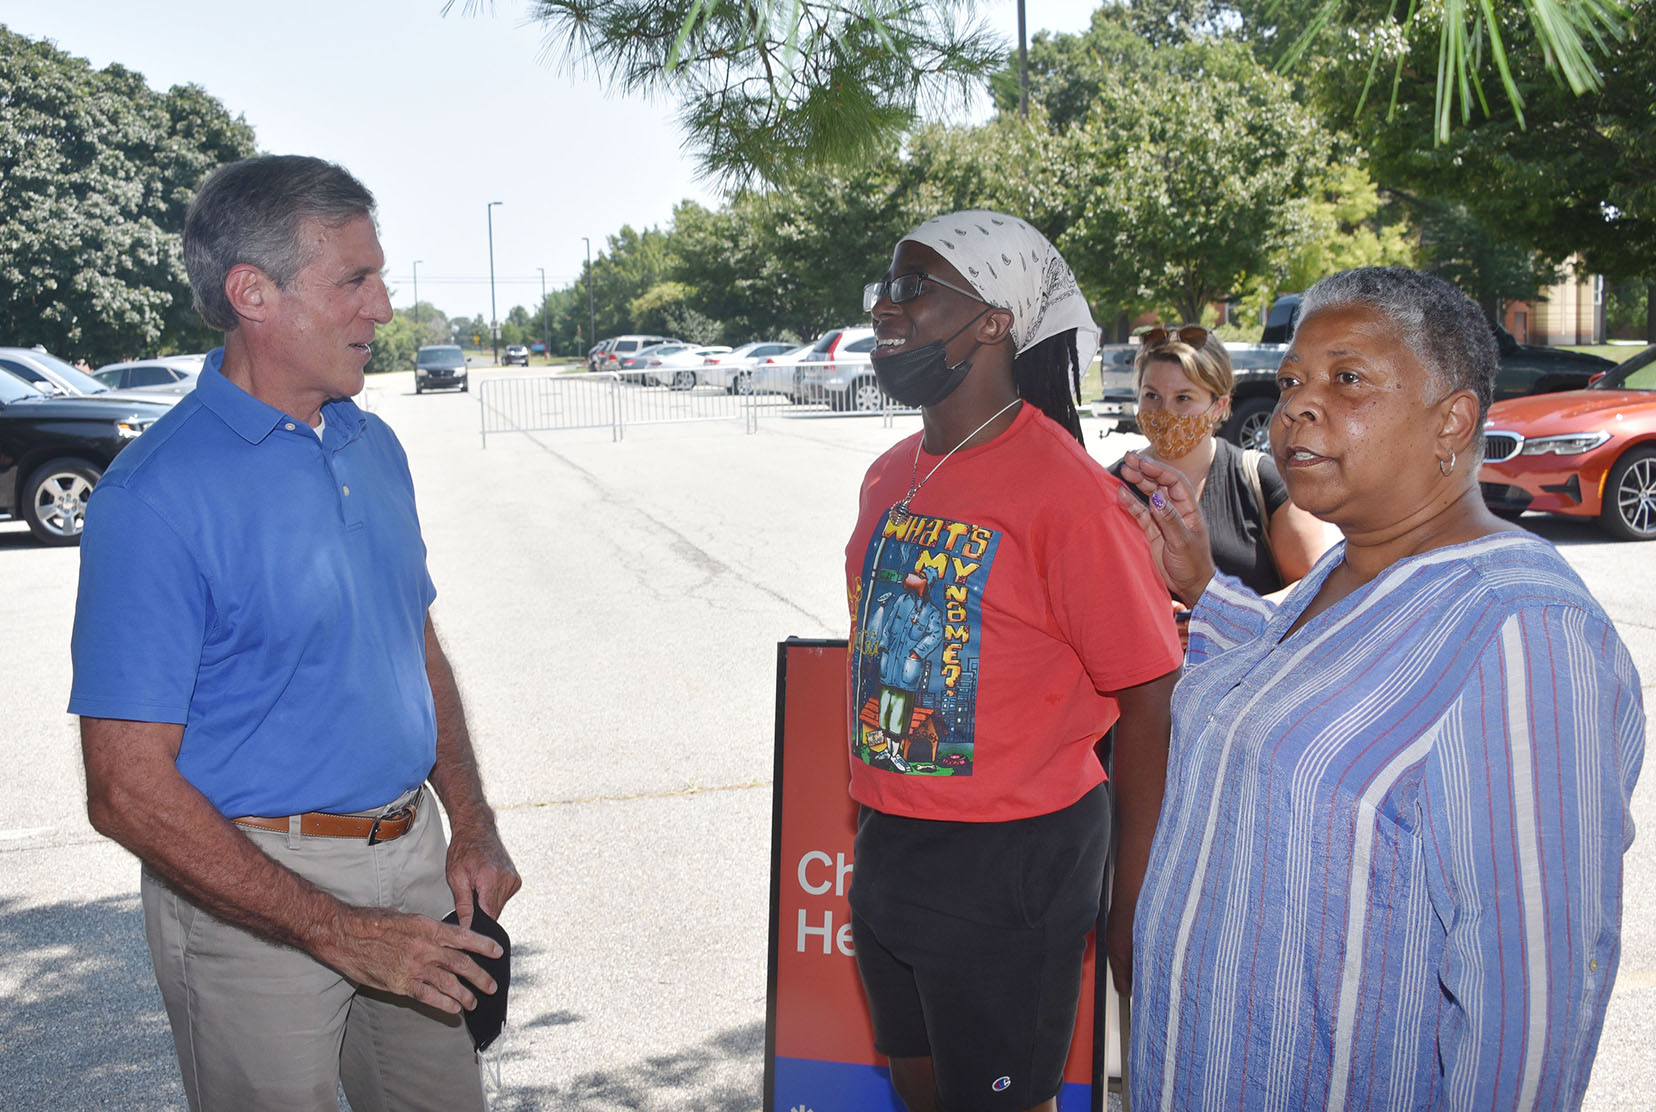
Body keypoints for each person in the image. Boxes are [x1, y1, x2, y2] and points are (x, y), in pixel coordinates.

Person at [1116, 266, 1644, 1109]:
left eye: (1346, 378)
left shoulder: (1519, 628)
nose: (1297, 406)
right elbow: (1308, 692)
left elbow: (1528, 1005)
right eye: (1291, 380)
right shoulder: (1347, 571)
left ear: (1453, 421)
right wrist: (1202, 582)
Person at [68, 155, 521, 1112]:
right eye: (355, 279)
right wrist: (340, 931)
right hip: (249, 900)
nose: (385, 308)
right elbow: (125, 790)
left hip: (414, 860)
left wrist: (469, 825)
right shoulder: (154, 499)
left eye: (380, 277)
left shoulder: (372, 441)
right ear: (252, 294)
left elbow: (416, 645)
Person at [846, 210, 1181, 1112]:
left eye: (914, 290)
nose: (888, 309)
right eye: (885, 288)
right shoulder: (888, 475)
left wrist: (1134, 894)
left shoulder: (1068, 492)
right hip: (887, 842)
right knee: (921, 1093)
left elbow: (1149, 689)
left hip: (1014, 867)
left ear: (994, 320)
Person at [1110, 324, 1325, 602]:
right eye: (1152, 396)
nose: (1166, 412)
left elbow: (1312, 588)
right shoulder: (1111, 486)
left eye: (1183, 398)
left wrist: (1223, 618)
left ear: (1219, 407)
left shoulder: (1259, 479)